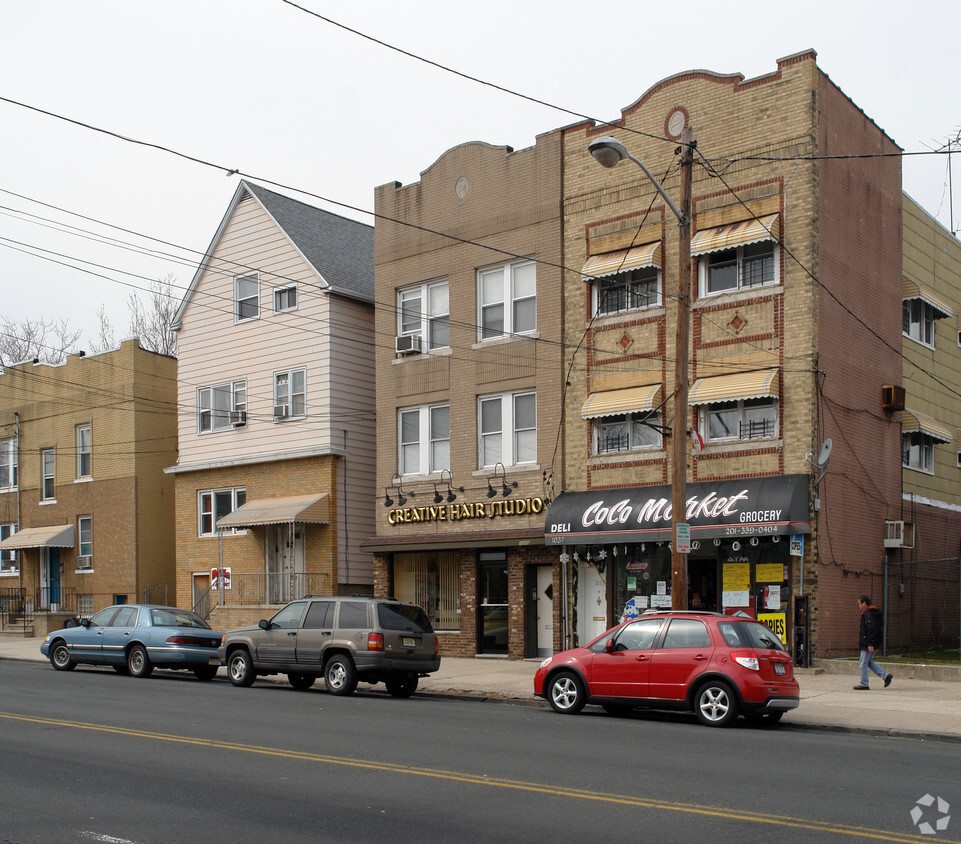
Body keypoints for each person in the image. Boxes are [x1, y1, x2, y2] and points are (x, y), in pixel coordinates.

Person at [854, 594, 892, 690]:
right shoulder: (872, 612)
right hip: (872, 642)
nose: (859, 606)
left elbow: (872, 629)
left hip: (868, 643)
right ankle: (885, 676)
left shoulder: (869, 614)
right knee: (868, 661)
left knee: (862, 663)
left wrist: (870, 643)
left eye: (860, 604)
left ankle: (864, 683)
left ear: (864, 603)